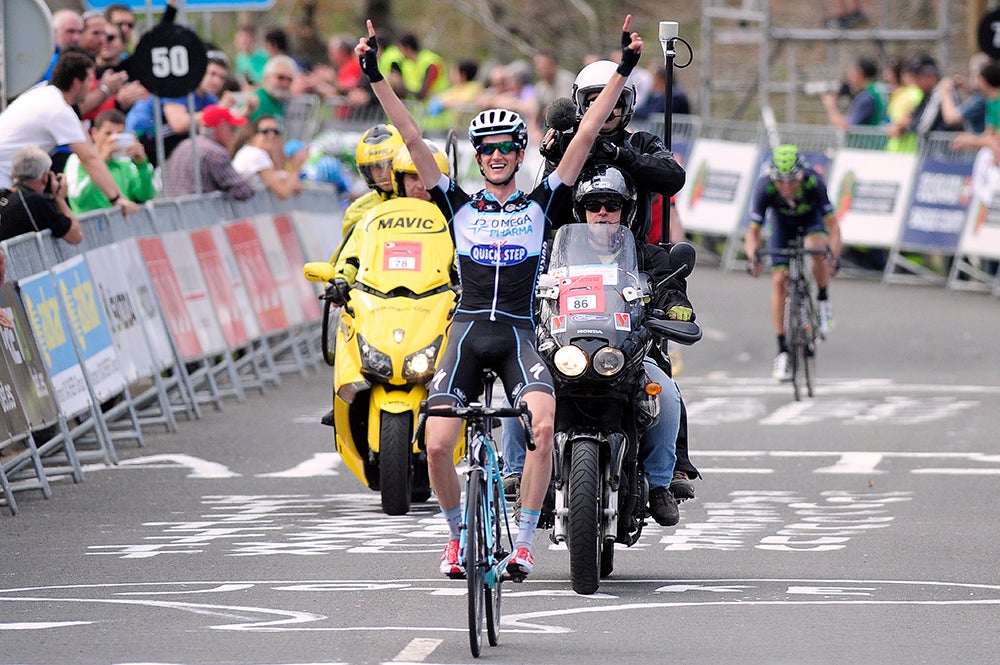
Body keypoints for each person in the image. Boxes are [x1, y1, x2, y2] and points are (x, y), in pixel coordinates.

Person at [356, 14, 644, 580]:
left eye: (505, 148)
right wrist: (374, 77)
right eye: (486, 149)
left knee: (543, 425)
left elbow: (586, 135)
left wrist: (624, 70)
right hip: (466, 332)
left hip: (517, 333)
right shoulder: (457, 205)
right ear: (477, 155)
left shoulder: (541, 204)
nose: (495, 156)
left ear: (518, 153)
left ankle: (525, 543)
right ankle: (456, 537)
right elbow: (411, 137)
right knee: (437, 444)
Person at [535, 57, 699, 500]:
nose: (603, 211)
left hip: (635, 263)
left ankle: (667, 474)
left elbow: (672, 178)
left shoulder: (641, 142)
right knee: (528, 383)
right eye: (593, 103)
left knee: (662, 383)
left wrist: (618, 154)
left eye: (611, 103)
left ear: (626, 104)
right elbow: (542, 211)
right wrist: (556, 158)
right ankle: (520, 470)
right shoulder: (566, 148)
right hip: (568, 265)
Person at [563, 164, 692, 525]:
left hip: (628, 355)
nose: (602, 212)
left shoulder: (648, 256)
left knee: (666, 395)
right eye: (593, 205)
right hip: (568, 353)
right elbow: (533, 291)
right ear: (581, 211)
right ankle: (516, 472)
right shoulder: (560, 254)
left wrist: (676, 306)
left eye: (612, 204)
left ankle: (660, 484)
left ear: (627, 210)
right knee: (527, 392)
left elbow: (670, 289)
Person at [744, 144, 841, 382]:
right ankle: (782, 351)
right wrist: (753, 257)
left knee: (817, 248)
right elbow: (753, 233)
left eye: (792, 180)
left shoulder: (813, 182)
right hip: (782, 225)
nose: (786, 186)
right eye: (780, 180)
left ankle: (823, 299)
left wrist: (834, 256)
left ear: (801, 174)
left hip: (811, 221)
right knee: (779, 280)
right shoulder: (765, 186)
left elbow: (833, 226)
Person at [0, 51, 138, 215]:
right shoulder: (58, 110)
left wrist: (119, 195)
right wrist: (116, 199)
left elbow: (88, 146)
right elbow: (89, 157)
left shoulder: (45, 92)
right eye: (90, 80)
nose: (92, 86)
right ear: (76, 83)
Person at [64, 109, 157, 214]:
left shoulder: (125, 162)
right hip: (89, 223)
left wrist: (142, 165)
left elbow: (146, 195)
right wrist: (101, 162)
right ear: (94, 133)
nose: (113, 139)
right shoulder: (76, 160)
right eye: (108, 133)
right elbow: (78, 199)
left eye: (119, 134)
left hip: (120, 223)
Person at [163, 105, 254, 200]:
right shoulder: (215, 153)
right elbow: (242, 191)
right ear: (221, 128)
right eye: (232, 129)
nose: (234, 135)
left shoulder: (184, 145)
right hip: (200, 208)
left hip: (175, 208)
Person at [0, 147, 82, 245]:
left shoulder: (4, 194)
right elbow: (75, 236)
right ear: (45, 178)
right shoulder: (36, 201)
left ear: (13, 174)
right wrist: (60, 199)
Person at [887, 55, 965, 152]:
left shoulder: (940, 93)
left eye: (918, 76)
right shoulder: (927, 94)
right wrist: (903, 123)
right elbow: (915, 115)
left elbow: (923, 126)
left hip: (945, 154)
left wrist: (904, 128)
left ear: (931, 76)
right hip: (933, 154)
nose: (914, 80)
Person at [230, 115, 305, 200]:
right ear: (253, 135)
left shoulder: (250, 151)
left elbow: (276, 176)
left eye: (276, 132)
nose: (271, 135)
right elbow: (283, 193)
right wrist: (296, 169)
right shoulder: (256, 154)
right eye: (265, 131)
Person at [821, 57, 888, 129]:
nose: (849, 77)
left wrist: (831, 106)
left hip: (866, 136)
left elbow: (845, 126)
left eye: (851, 73)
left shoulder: (865, 97)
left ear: (859, 73)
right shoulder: (879, 89)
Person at [248, 55, 298, 121]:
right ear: (267, 77)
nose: (285, 83)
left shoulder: (278, 101)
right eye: (280, 77)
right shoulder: (258, 100)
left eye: (289, 79)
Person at [40, 9, 83, 83]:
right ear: (54, 32)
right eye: (70, 31)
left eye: (80, 32)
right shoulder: (44, 62)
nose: (76, 38)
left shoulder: (84, 59)